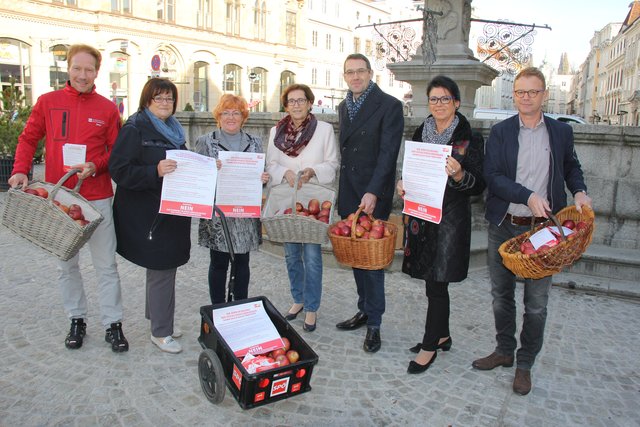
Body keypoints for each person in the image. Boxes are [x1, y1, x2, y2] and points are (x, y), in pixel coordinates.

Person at [474, 67, 593, 395]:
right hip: (504, 225)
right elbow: (493, 177)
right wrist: (526, 195)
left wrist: (579, 190)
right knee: (501, 296)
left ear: (544, 94)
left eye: (533, 92)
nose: (526, 97)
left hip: (544, 232)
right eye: (520, 92)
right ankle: (504, 351)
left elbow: (571, 167)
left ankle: (525, 364)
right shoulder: (500, 132)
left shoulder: (560, 132)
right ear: (514, 95)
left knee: (537, 304)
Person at [8, 44, 128, 353]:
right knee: (67, 265)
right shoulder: (48, 102)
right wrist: (21, 169)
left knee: (106, 266)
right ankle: (77, 319)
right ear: (68, 68)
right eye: (77, 68)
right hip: (60, 199)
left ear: (96, 73)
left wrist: (95, 165)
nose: (82, 75)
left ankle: (113, 324)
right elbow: (28, 138)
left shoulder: (107, 109)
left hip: (97, 198)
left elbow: (116, 152)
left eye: (89, 70)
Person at [396, 76, 486, 374]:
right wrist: (403, 183)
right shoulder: (422, 130)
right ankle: (443, 335)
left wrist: (460, 176)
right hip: (423, 215)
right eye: (433, 99)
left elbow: (478, 185)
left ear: (456, 103)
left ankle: (429, 345)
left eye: (445, 99)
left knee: (437, 282)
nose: (438, 104)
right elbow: (413, 168)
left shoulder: (468, 138)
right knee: (430, 280)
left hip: (449, 221)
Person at [109, 78, 191, 354]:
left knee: (162, 268)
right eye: (160, 98)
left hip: (171, 210)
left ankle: (158, 318)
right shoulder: (135, 128)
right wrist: (153, 171)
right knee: (162, 267)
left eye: (169, 98)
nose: (165, 103)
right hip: (148, 213)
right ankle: (161, 332)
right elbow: (119, 170)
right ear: (147, 101)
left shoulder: (173, 129)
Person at [334, 53, 404, 353]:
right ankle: (363, 309)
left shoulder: (389, 105)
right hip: (350, 192)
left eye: (360, 71)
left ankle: (374, 323)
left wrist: (374, 191)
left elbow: (388, 155)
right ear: (345, 76)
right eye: (350, 72)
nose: (355, 77)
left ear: (370, 73)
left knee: (373, 261)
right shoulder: (343, 106)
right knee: (355, 256)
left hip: (372, 194)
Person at [266, 84, 339, 332]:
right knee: (291, 254)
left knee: (312, 255)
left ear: (310, 103)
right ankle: (298, 299)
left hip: (314, 200)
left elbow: (332, 163)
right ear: (286, 106)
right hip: (288, 200)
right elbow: (271, 163)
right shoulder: (276, 131)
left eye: (301, 100)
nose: (296, 105)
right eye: (291, 101)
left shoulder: (324, 130)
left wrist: (313, 171)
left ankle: (311, 307)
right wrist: (284, 172)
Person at [193, 94, 269, 306]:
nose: (231, 117)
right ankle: (218, 307)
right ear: (218, 116)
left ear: (243, 116)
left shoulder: (255, 142)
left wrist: (263, 178)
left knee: (242, 262)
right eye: (226, 112)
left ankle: (240, 305)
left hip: (245, 213)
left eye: (236, 112)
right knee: (218, 263)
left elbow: (261, 175)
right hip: (219, 215)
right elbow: (196, 177)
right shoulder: (205, 142)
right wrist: (208, 169)